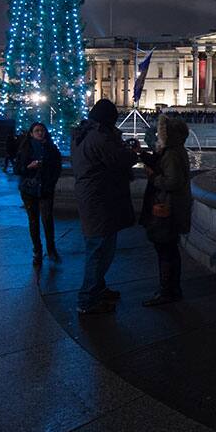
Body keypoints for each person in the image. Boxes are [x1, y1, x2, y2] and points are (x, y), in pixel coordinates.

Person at [71, 99, 137, 315]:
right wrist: (133, 152)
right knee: (98, 250)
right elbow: (118, 159)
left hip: (95, 197)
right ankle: (87, 300)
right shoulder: (99, 137)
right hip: (99, 199)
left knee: (100, 247)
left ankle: (98, 288)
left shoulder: (85, 134)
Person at [140, 115, 193, 307]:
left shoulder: (171, 153)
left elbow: (172, 181)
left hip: (168, 207)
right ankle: (172, 289)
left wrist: (154, 178)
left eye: (160, 132)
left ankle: (167, 291)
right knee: (169, 249)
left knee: (165, 250)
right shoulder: (174, 150)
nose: (157, 136)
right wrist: (142, 155)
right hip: (172, 206)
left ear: (167, 133)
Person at [14, 122, 63, 266]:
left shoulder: (51, 148)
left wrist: (51, 181)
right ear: (31, 133)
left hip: (45, 189)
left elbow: (57, 167)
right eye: (37, 131)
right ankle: (37, 250)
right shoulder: (25, 149)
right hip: (29, 189)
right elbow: (17, 169)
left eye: (42, 130)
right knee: (33, 221)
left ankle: (51, 248)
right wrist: (29, 166)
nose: (40, 133)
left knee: (47, 220)